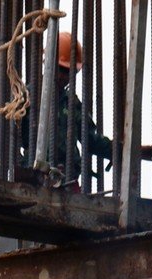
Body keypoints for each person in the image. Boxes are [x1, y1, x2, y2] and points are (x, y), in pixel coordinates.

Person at [37, 31, 112, 186]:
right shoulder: (29, 98)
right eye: (64, 70)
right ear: (49, 63)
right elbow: (13, 138)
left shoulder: (72, 103)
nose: (67, 77)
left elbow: (90, 139)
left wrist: (118, 150)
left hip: (67, 179)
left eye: (72, 72)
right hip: (37, 181)